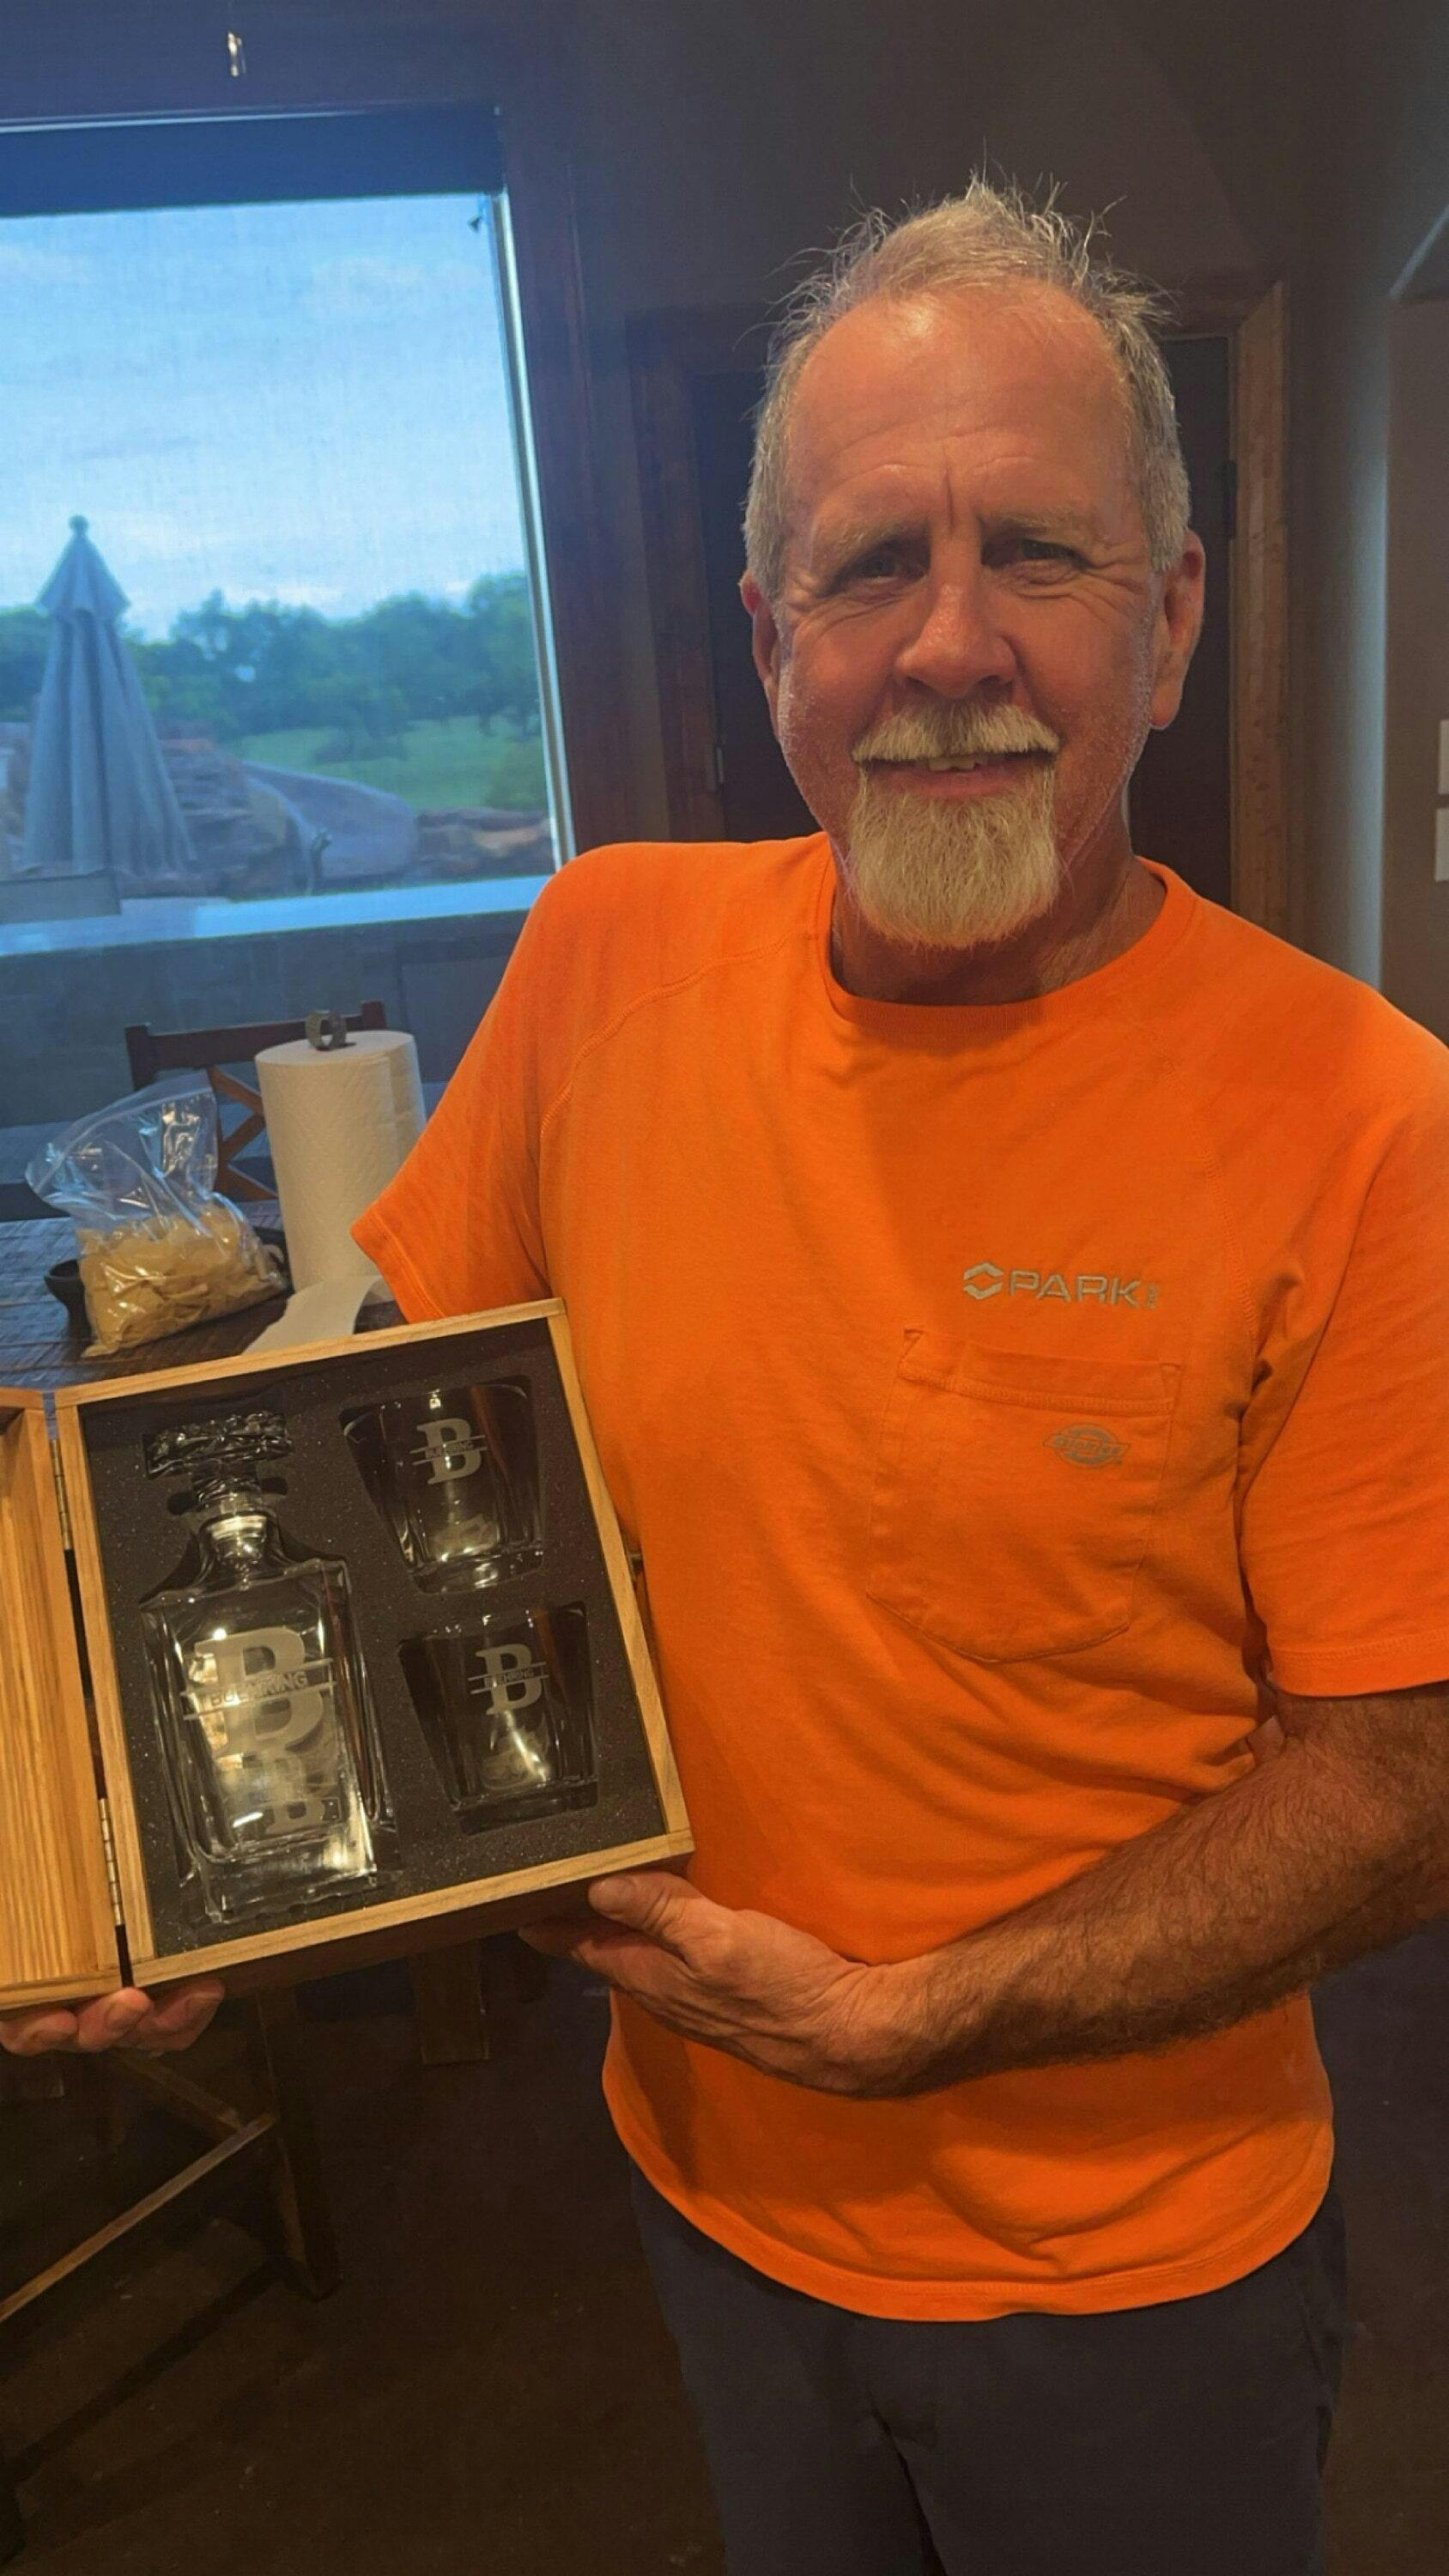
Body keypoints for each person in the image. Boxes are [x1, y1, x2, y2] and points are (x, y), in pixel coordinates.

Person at [9, 177, 1448, 2572]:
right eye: (871, 566)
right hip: (705, 2193)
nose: (950, 644)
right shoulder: (604, 959)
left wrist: (921, 2020)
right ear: (773, 635)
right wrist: (162, 1869)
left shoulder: (1368, 1122)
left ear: (1177, 616)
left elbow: (1402, 1783)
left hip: (1134, 2276)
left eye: (1039, 553)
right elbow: (381, 1474)